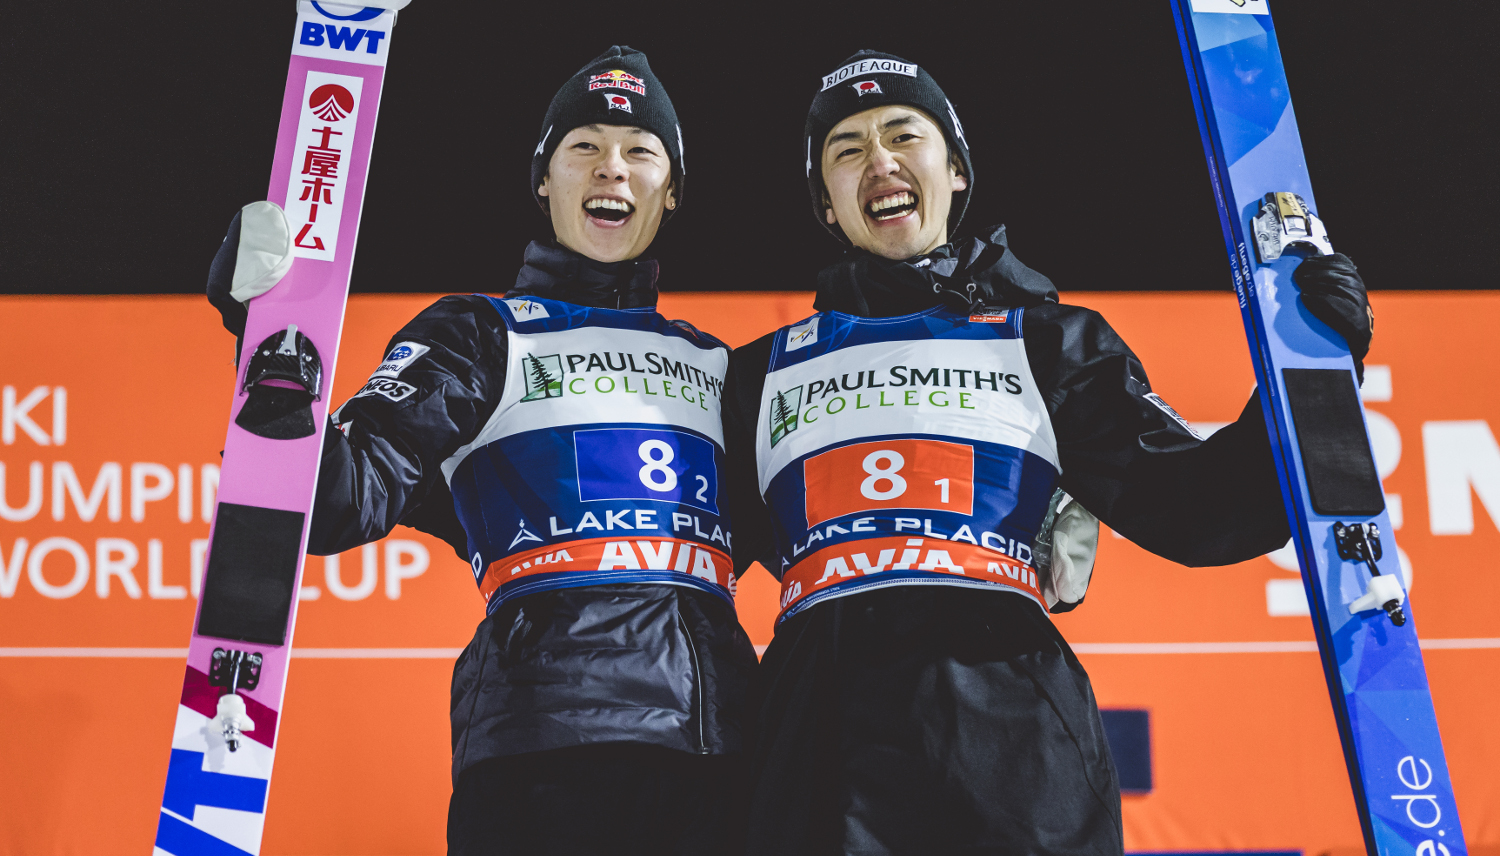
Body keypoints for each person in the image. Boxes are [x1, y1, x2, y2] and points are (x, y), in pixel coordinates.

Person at [720, 50, 1374, 854]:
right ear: (827, 202)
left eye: (903, 134)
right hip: (818, 752)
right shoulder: (760, 374)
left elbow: (1202, 507)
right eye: (847, 149)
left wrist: (1307, 373)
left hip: (1007, 742)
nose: (879, 161)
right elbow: (674, 564)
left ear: (956, 170)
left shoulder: (1046, 343)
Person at [208, 46, 757, 855]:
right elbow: (336, 503)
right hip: (545, 755)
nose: (612, 167)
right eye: (584, 147)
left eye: (640, 151)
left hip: (718, 765)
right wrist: (269, 348)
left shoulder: (716, 366)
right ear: (544, 180)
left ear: (670, 189)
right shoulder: (479, 335)